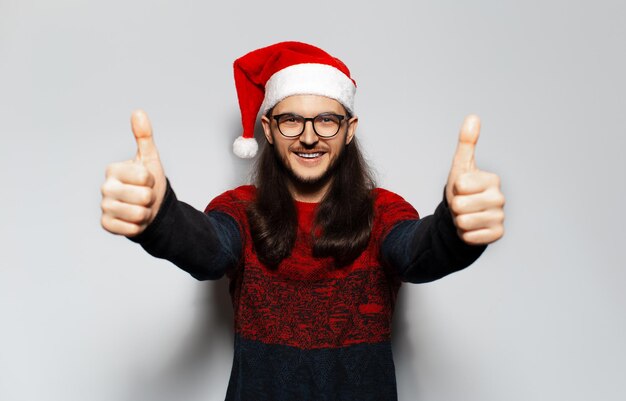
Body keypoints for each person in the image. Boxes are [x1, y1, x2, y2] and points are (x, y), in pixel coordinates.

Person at [100, 41, 505, 401]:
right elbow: (209, 249)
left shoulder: (382, 211)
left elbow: (417, 251)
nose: (309, 137)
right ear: (269, 130)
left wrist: (457, 227)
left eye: (327, 120)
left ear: (349, 130)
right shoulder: (240, 209)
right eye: (291, 120)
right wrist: (159, 215)